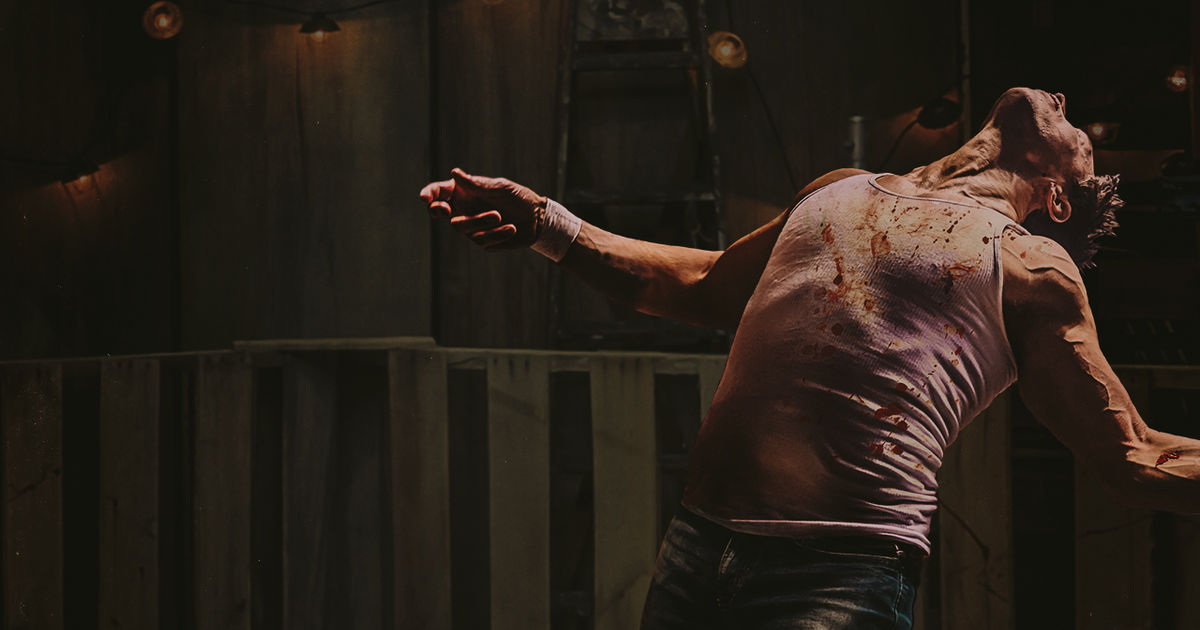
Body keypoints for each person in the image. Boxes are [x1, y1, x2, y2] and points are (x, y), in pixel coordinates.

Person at [419, 87, 1200, 629]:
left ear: (1058, 195)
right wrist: (549, 224)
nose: (1062, 100)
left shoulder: (1030, 265)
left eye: (1077, 127)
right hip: (697, 544)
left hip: (838, 575)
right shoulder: (840, 187)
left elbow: (1134, 456)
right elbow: (699, 285)